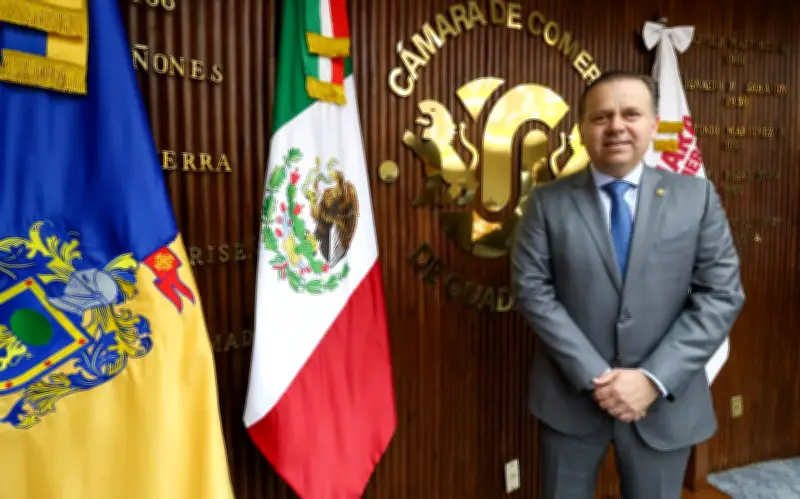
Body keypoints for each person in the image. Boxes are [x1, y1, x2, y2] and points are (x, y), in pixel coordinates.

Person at [511, 70, 745, 499]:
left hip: (664, 404)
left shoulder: (697, 197)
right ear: (582, 129)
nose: (616, 126)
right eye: (601, 116)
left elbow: (721, 295)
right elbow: (533, 291)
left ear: (654, 125)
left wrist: (653, 379)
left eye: (631, 114)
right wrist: (596, 376)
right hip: (570, 400)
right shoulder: (546, 203)